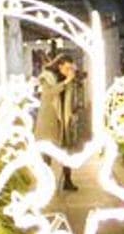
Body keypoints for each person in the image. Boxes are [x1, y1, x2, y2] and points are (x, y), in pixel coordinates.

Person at [35, 55, 87, 191]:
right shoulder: (47, 77)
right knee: (47, 151)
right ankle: (45, 182)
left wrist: (74, 77)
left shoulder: (68, 78)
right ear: (59, 66)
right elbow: (49, 93)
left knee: (66, 150)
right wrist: (66, 82)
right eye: (67, 68)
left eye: (71, 68)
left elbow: (79, 86)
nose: (69, 71)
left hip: (64, 118)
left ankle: (67, 181)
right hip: (50, 118)